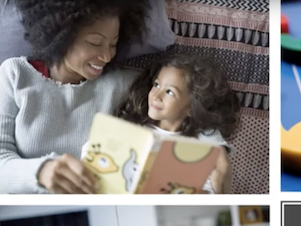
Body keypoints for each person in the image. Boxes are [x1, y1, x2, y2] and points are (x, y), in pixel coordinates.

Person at [0, 0, 149, 194]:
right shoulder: (15, 74)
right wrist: (41, 172)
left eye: (113, 44)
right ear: (61, 36)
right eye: (95, 43)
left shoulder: (124, 85)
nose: (107, 56)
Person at [114, 53, 240, 194]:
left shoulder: (198, 146)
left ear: (191, 108)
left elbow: (210, 185)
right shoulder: (133, 130)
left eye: (169, 92)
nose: (156, 95)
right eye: (156, 85)